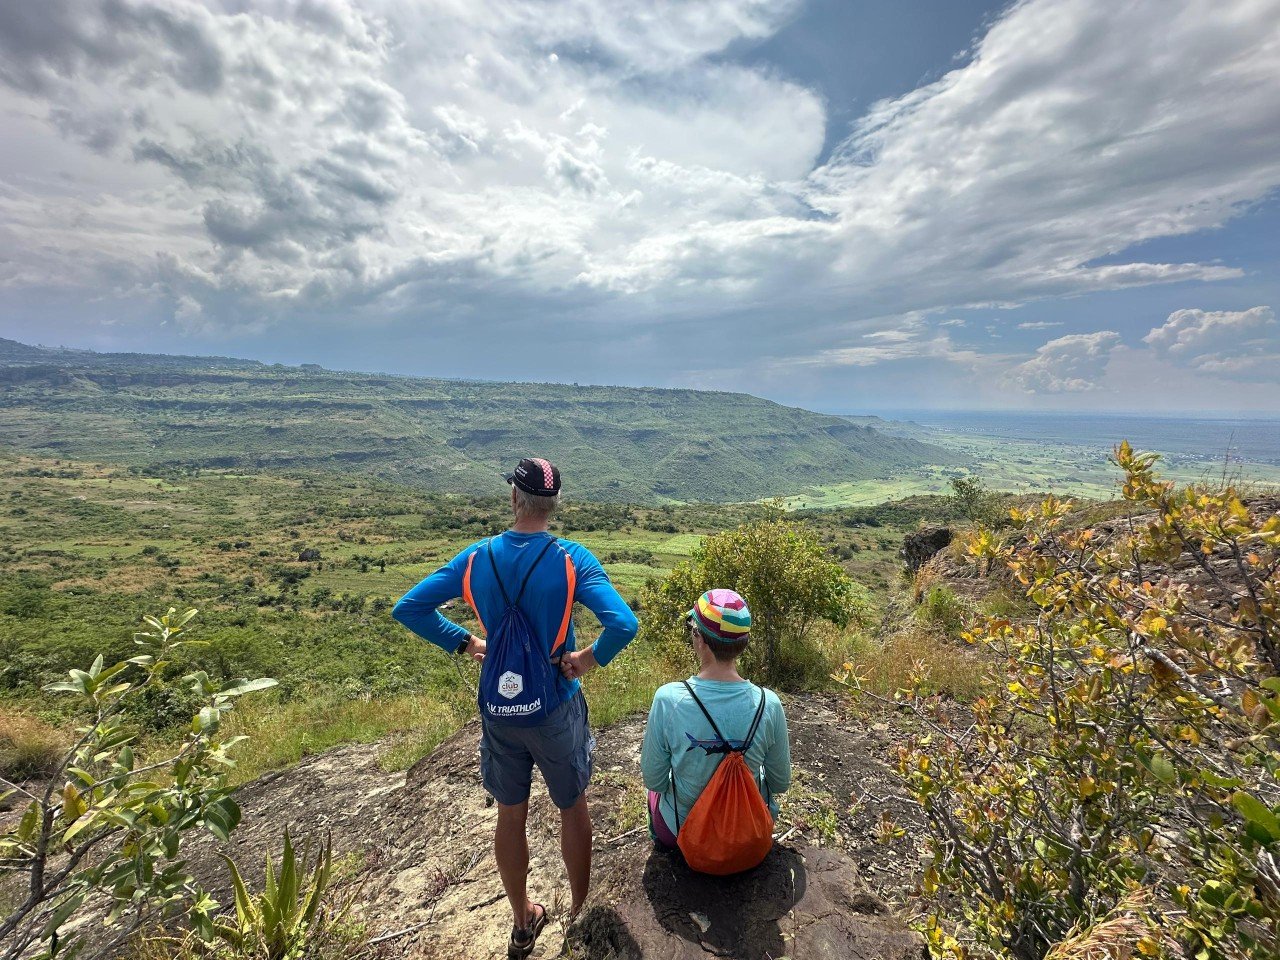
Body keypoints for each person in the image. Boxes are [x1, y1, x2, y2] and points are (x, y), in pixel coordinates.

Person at [392, 458, 638, 959]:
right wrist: (586, 660)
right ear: (554, 506)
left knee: (510, 813)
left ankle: (522, 920)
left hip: (500, 714)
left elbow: (409, 608)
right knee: (572, 807)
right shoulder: (573, 560)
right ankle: (577, 914)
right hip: (555, 705)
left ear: (514, 499)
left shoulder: (477, 559)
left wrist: (465, 643)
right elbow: (624, 624)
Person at [640, 589, 790, 853]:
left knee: (655, 794)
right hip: (747, 836)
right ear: (743, 643)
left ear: (699, 639)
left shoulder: (668, 699)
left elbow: (655, 780)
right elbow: (780, 783)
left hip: (683, 831)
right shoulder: (769, 703)